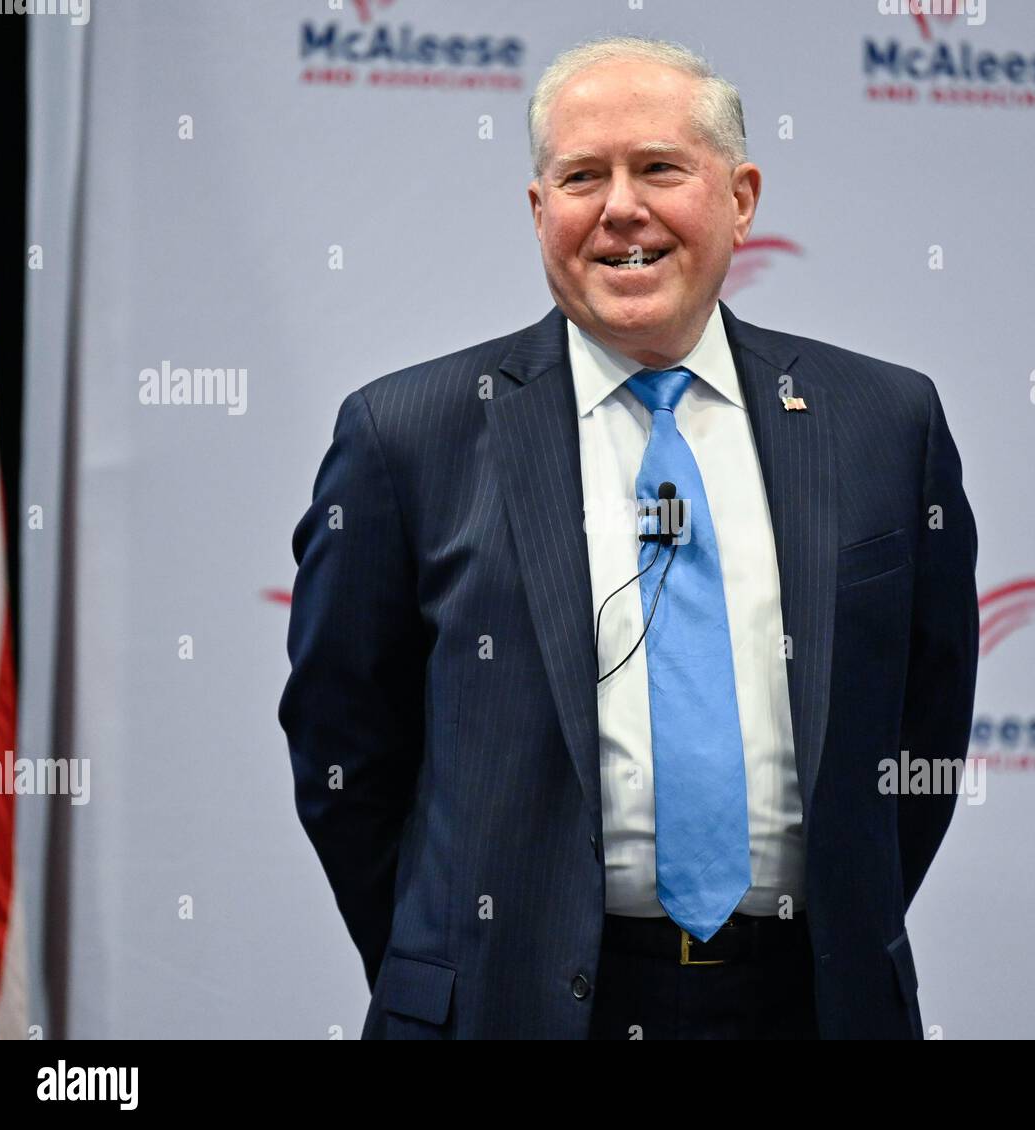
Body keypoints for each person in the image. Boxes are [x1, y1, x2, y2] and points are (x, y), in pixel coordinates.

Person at [278, 34, 978, 1040]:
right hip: (512, 1009)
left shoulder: (884, 423)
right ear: (538, 211)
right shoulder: (407, 434)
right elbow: (345, 750)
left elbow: (924, 733)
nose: (620, 208)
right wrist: (456, 955)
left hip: (808, 1002)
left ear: (739, 198)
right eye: (580, 176)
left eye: (658, 167)